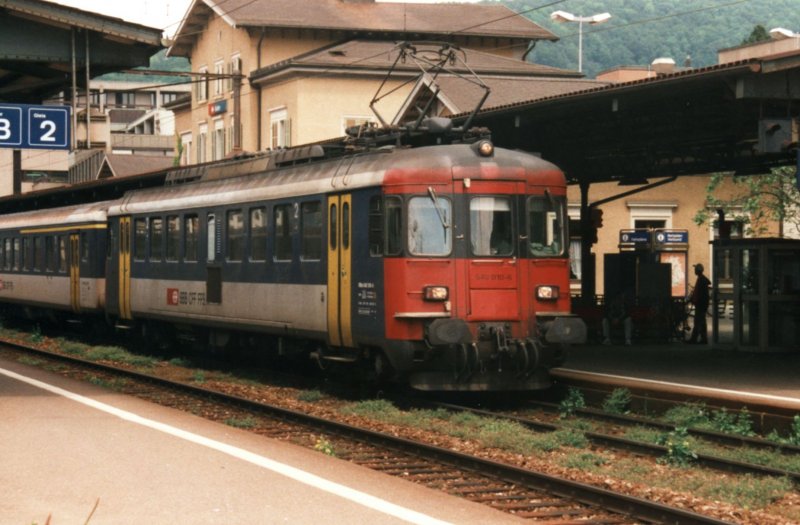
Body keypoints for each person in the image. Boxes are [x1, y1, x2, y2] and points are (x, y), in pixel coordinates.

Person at [687, 263, 711, 344]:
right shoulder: (701, 279)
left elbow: (700, 294)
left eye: (695, 269)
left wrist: (694, 300)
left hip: (700, 305)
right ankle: (703, 339)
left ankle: (695, 339)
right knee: (701, 322)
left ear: (698, 270)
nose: (694, 271)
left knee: (698, 322)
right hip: (701, 304)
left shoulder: (701, 280)